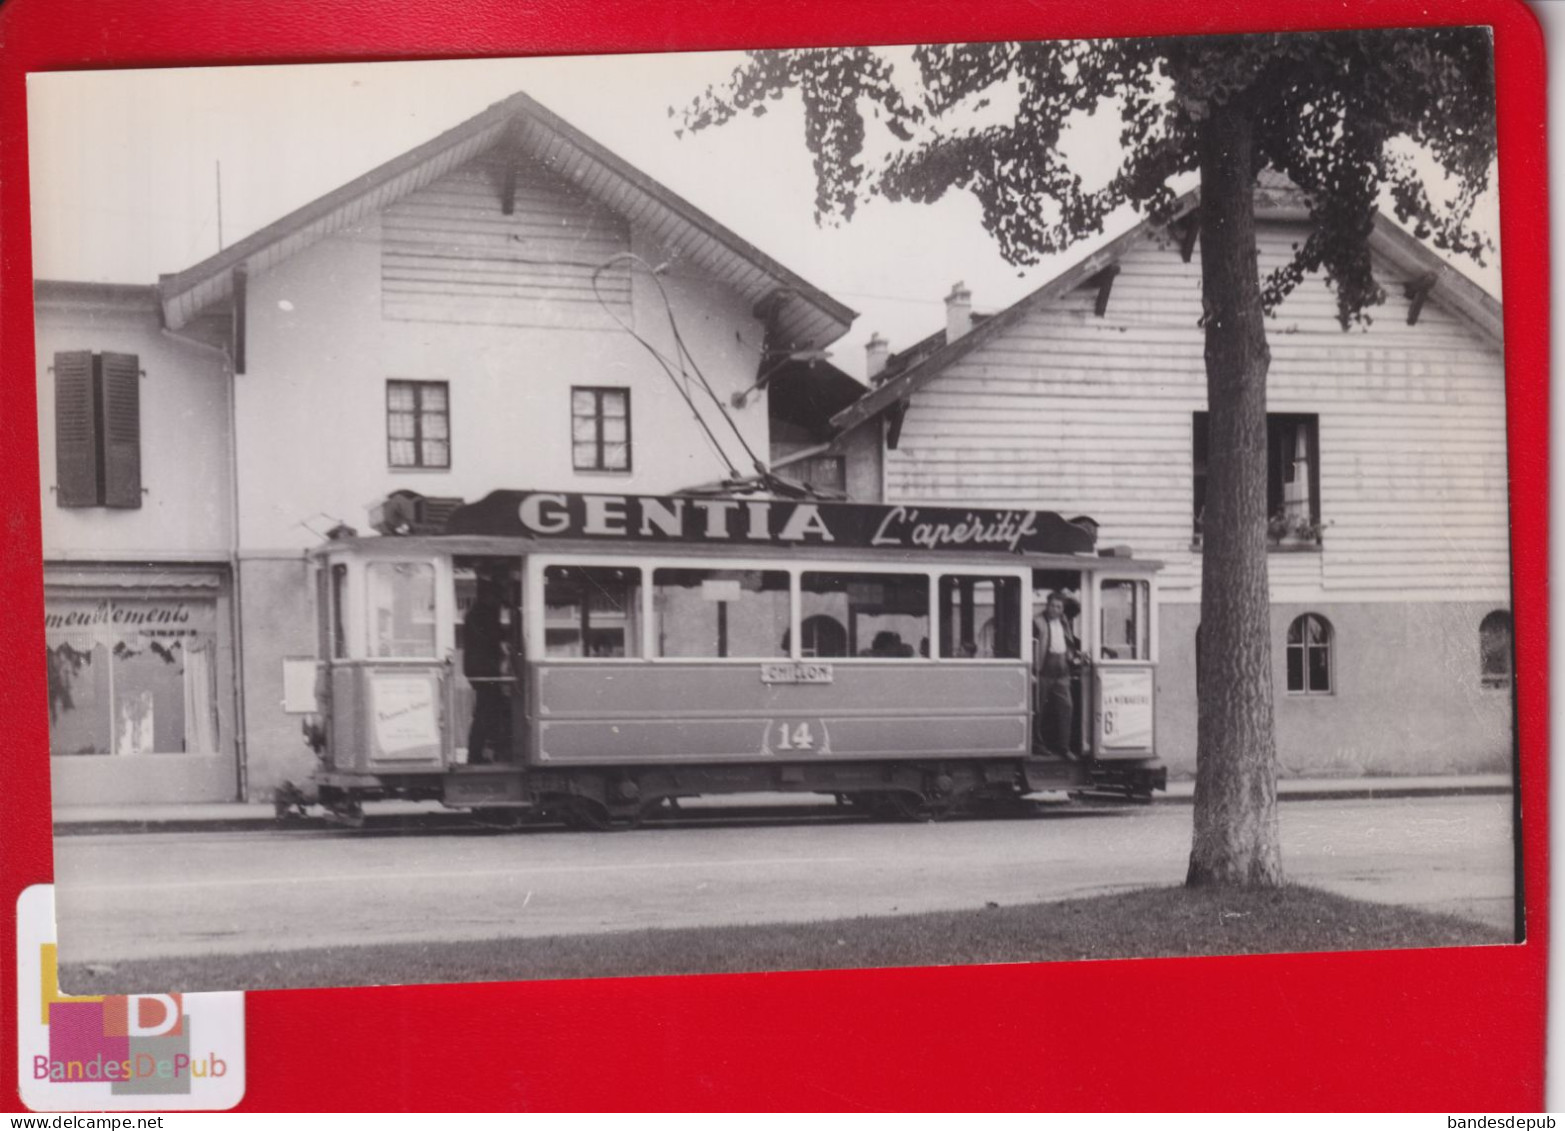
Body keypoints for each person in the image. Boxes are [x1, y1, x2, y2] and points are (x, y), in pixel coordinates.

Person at [1032, 591, 1084, 758]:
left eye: (1059, 606)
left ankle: (1064, 747)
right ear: (1047, 606)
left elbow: (1068, 643)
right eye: (1053, 605)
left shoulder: (1064, 622)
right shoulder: (1037, 621)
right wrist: (1033, 670)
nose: (1056, 609)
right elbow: (1031, 646)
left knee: (1066, 708)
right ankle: (1037, 745)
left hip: (1062, 673)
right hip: (1043, 672)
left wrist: (1074, 657)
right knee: (1038, 710)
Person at [464, 575, 509, 764]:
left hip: (480, 669)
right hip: (484, 670)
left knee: (486, 710)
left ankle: (481, 751)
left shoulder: (477, 612)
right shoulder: (483, 614)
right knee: (487, 711)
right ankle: (477, 753)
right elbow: (492, 636)